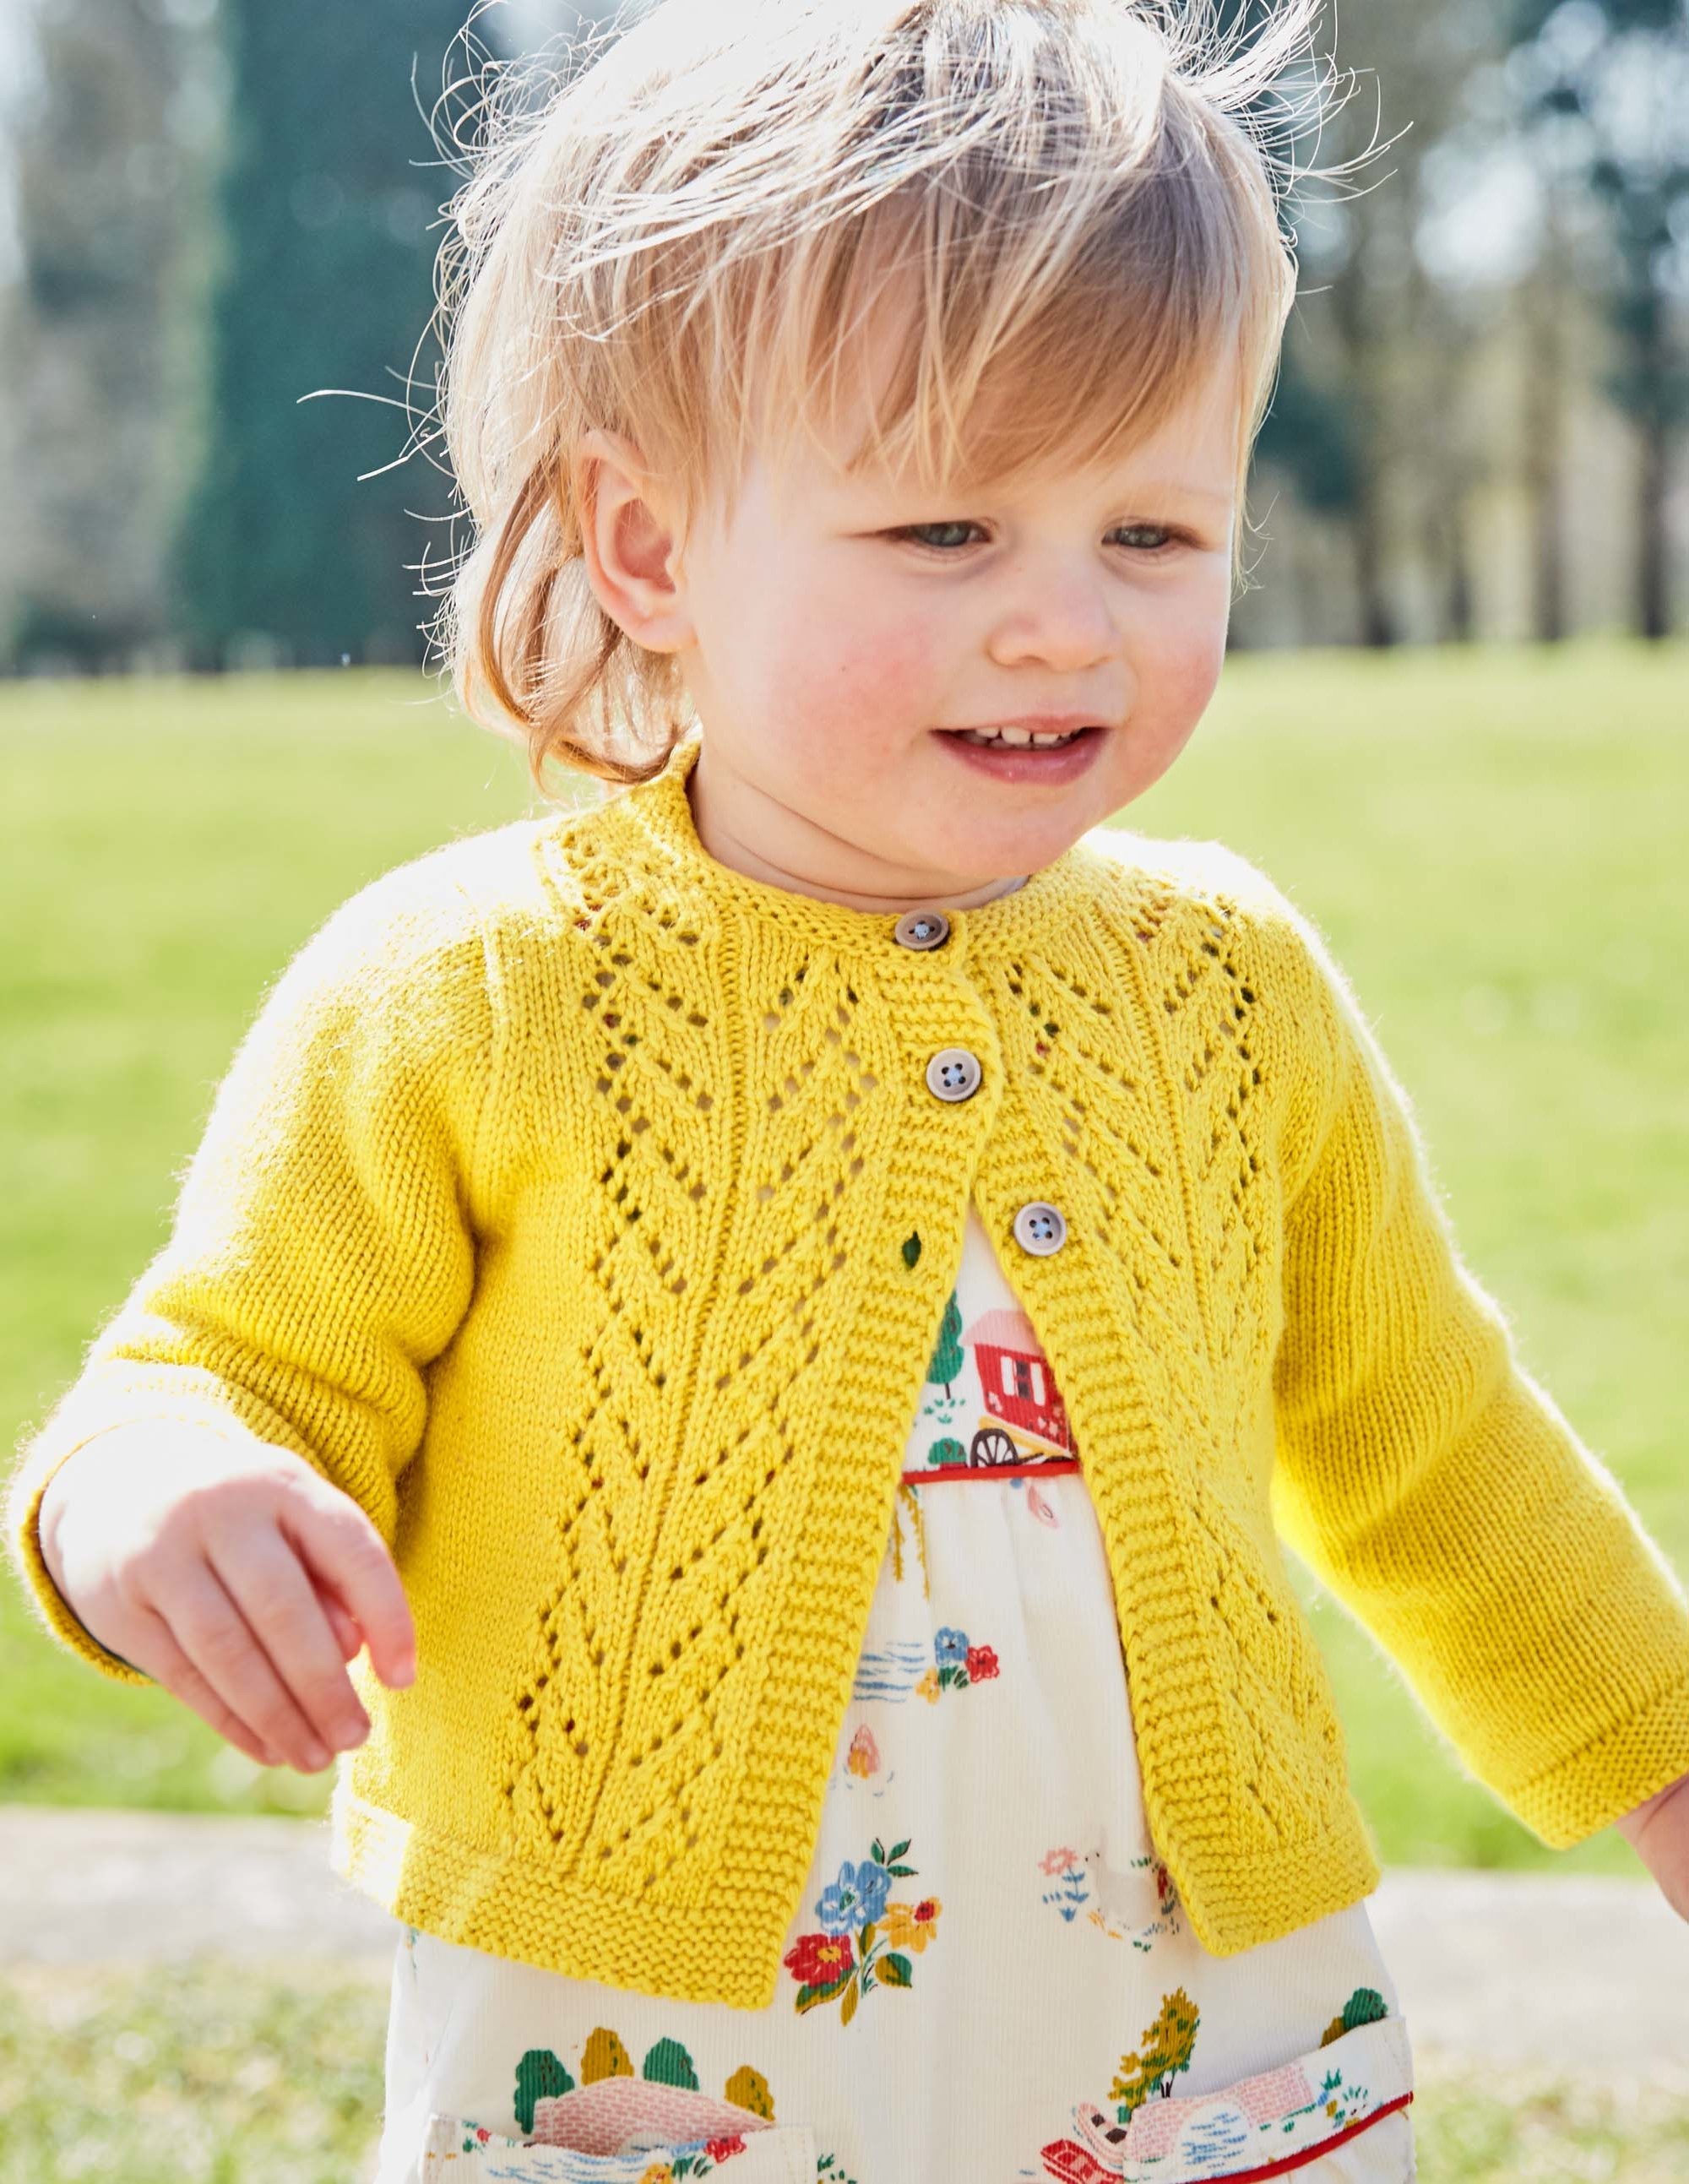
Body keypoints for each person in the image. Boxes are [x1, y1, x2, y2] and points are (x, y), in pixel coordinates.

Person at [10, 1, 1689, 2177]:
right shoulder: (480, 987)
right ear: (646, 548)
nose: (1065, 626)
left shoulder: (1230, 988)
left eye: (1153, 536)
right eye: (947, 533)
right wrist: (147, 1491)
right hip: (655, 2027)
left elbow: (1426, 1436)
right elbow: (219, 1364)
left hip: (1191, 2010)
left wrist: (1660, 1746)